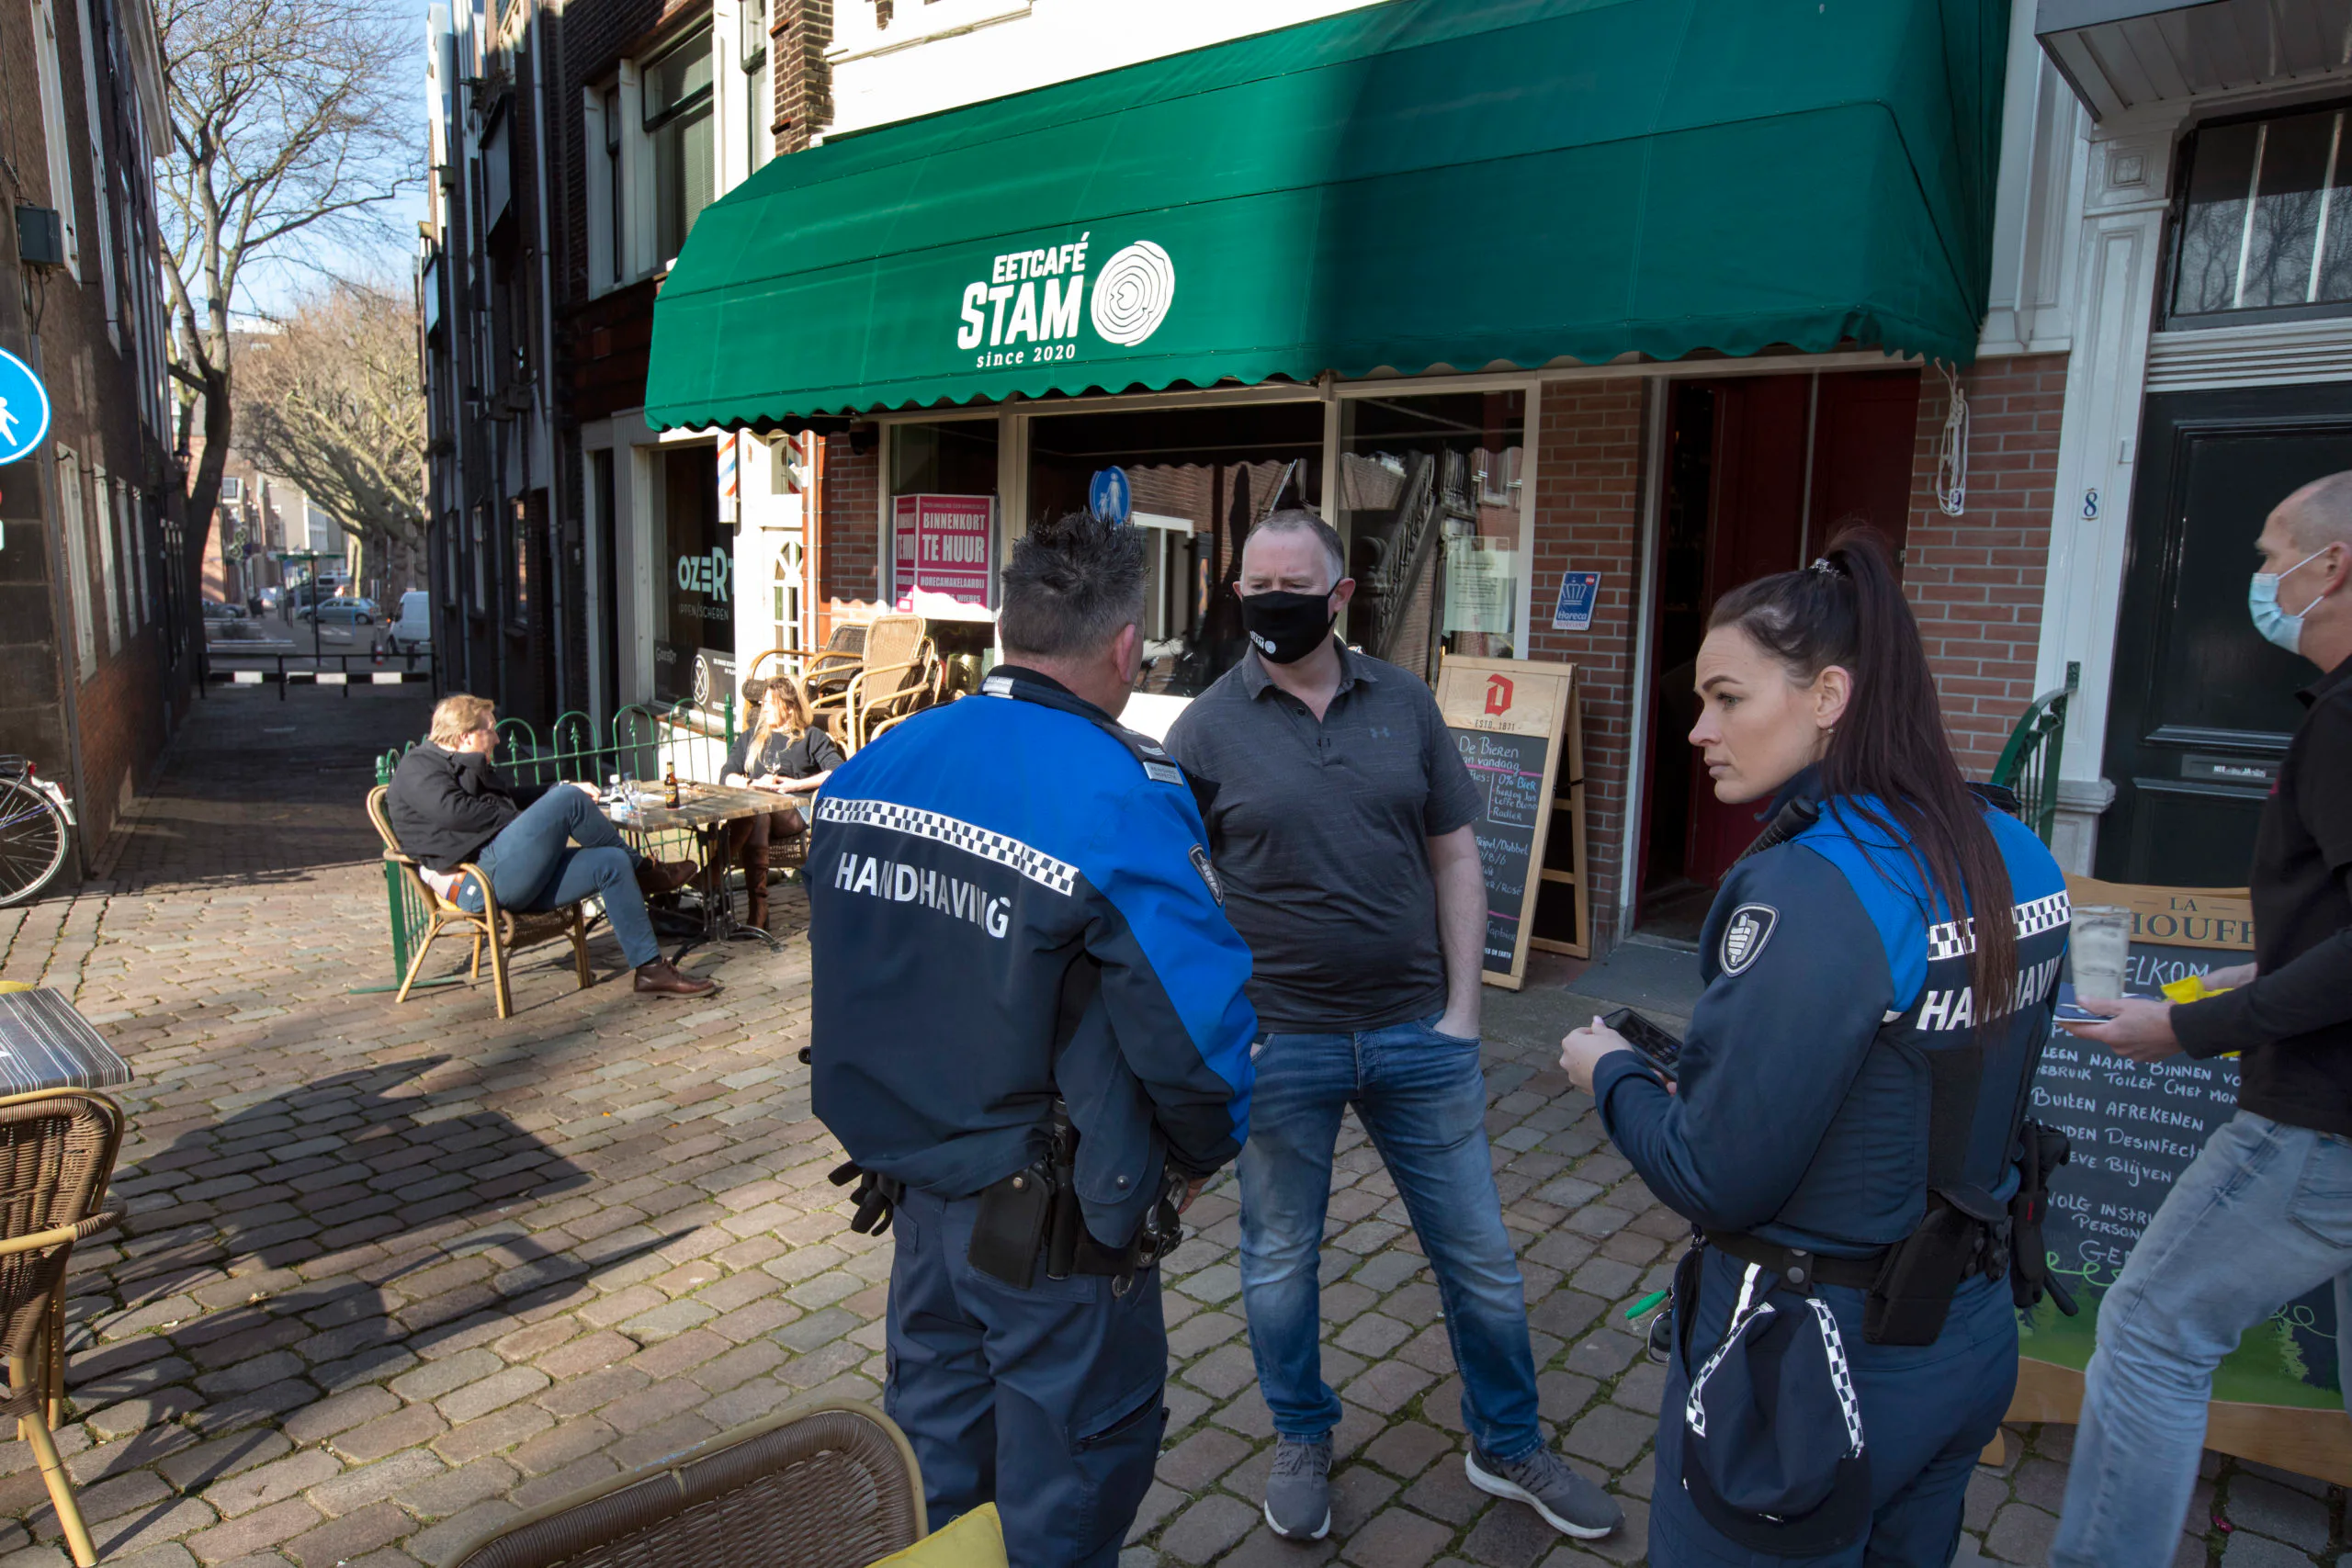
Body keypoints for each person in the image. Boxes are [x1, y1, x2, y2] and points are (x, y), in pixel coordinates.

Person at [1556, 530, 2071, 1565]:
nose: (1698, 729)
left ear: (1828, 696)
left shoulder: (1815, 883)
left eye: (1729, 698)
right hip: (1964, 1340)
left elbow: (1715, 1174)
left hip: (1810, 1365)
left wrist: (1607, 1072)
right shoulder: (2016, 846)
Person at [1163, 511, 1622, 1545]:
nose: (1268, 602)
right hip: (1282, 1044)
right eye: (1251, 585)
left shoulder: (1406, 704)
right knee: (1279, 1258)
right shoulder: (1203, 729)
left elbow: (1457, 854)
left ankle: (1507, 1442)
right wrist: (1226, 1031)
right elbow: (1176, 897)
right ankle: (1300, 1432)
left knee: (1482, 1258)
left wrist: (1465, 1012)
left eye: (1292, 584)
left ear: (1339, 596)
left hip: (1420, 1035)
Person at [808, 512, 1256, 1567]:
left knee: (929, 1482)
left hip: (916, 1203)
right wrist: (1196, 1154)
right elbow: (1199, 1041)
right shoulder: (1118, 795)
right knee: (1065, 1494)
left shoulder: (875, 766)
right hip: (1053, 1232)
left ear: (1007, 629)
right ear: (1122, 647)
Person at [2048, 475, 2352, 1566]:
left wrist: (2187, 1029)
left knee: (2145, 1335)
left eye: (2272, 556)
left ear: (2333, 568)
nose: (2260, 579)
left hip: (2318, 1119)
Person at [385, 694, 715, 998]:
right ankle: (645, 871)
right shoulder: (420, 766)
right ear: (466, 736)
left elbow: (506, 801)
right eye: (492, 730)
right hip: (480, 882)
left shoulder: (457, 763)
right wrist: (549, 806)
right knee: (568, 801)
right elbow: (459, 815)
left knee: (611, 862)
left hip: (507, 869)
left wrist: (555, 790)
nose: (498, 739)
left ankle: (650, 970)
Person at [716, 675, 842, 929]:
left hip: (794, 810)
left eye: (771, 703)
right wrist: (753, 784)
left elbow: (838, 770)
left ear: (790, 706)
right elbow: (726, 775)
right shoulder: (751, 738)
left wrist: (793, 785)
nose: (764, 709)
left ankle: (715, 873)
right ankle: (758, 908)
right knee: (758, 814)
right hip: (757, 808)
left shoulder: (810, 737)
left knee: (755, 813)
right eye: (763, 703)